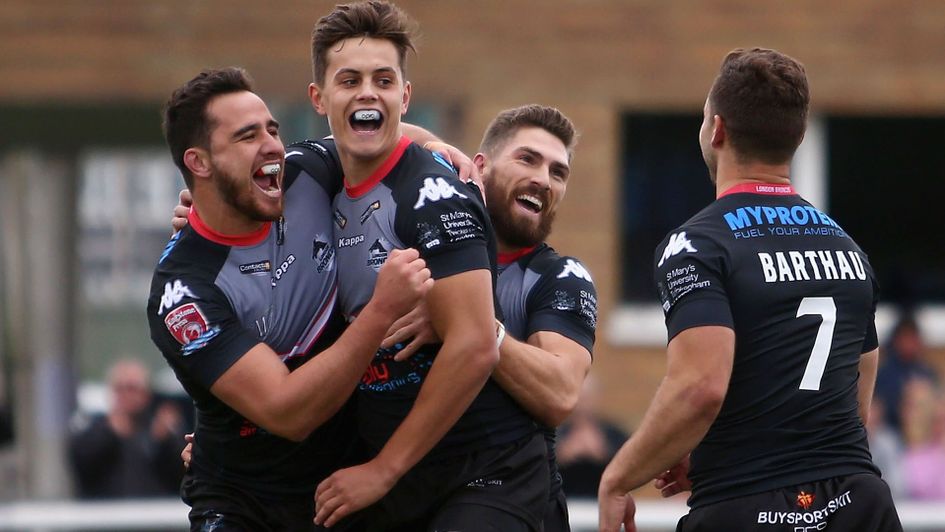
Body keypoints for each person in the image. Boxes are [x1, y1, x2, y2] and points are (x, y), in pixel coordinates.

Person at [598, 48, 902, 532]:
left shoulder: (696, 245)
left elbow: (700, 389)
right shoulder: (849, 249)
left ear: (716, 129)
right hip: (859, 504)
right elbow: (853, 404)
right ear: (797, 138)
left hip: (749, 508)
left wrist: (617, 477)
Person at [148, 66, 431, 531]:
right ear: (199, 163)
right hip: (245, 500)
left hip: (340, 485)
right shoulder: (183, 293)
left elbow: (382, 140)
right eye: (246, 136)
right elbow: (288, 411)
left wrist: (439, 152)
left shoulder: (306, 172)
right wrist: (382, 310)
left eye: (272, 129)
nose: (273, 146)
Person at [304, 3, 549, 530]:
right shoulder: (314, 175)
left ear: (404, 96)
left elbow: (476, 343)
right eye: (350, 79)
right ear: (319, 98)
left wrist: (383, 470)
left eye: (383, 80)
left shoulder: (434, 193)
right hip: (396, 466)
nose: (368, 92)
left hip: (486, 467)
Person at [471, 104, 597, 531]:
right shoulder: (426, 245)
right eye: (527, 159)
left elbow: (560, 394)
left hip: (517, 503)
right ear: (480, 167)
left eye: (558, 172)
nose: (543, 179)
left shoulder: (561, 276)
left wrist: (469, 323)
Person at [68, 358, 184, 499]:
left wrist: (166, 441)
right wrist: (110, 433)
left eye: (133, 388)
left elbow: (181, 474)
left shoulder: (159, 433)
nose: (126, 395)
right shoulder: (93, 431)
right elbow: (82, 466)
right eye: (120, 388)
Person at [556, 376, 626, 500]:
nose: (582, 404)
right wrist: (562, 455)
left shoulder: (613, 433)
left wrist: (603, 454)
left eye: (587, 398)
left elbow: (630, 468)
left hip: (603, 501)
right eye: (579, 398)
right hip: (562, 502)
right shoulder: (555, 433)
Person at [875, 313, 938, 433]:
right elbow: (879, 407)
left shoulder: (926, 372)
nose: (909, 343)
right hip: (892, 430)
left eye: (912, 338)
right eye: (905, 338)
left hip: (924, 432)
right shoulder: (884, 374)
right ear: (896, 341)